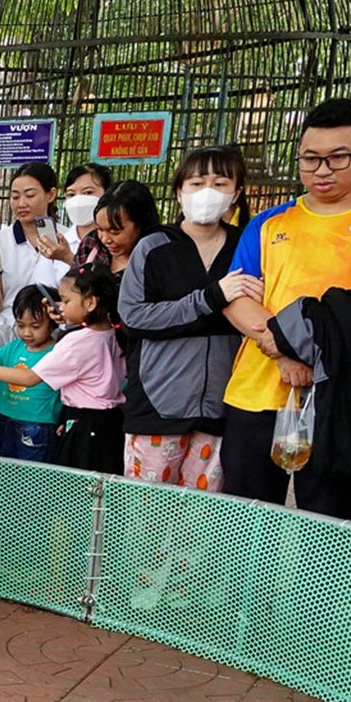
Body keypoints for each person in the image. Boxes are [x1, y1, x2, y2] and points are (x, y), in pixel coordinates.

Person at [220, 98, 351, 517]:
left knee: (326, 524)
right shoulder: (269, 222)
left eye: (337, 158)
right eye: (310, 159)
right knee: (245, 521)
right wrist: (282, 351)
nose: (322, 171)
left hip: (337, 394)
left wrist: (297, 348)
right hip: (255, 391)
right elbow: (236, 299)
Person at [116, 146, 250, 491]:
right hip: (158, 404)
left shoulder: (246, 247)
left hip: (222, 404)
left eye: (220, 183)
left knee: (202, 515)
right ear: (179, 192)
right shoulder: (154, 246)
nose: (207, 191)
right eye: (196, 182)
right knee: (147, 512)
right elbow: (134, 316)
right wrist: (210, 299)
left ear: (236, 193)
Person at [0, 267, 126, 472]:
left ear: (91, 303)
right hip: (108, 422)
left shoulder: (77, 341)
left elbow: (30, 378)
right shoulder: (111, 331)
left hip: (85, 425)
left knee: (74, 487)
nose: (61, 308)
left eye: (66, 302)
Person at [0, 162, 73, 348]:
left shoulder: (69, 240)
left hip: (57, 339)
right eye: (15, 197)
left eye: (30, 195)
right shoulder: (0, 241)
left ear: (51, 194)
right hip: (10, 339)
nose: (21, 204)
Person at [0, 285, 64, 461]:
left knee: (33, 480)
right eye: (21, 325)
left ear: (52, 320)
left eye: (35, 326)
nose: (27, 332)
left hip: (38, 425)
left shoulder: (58, 352)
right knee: (0, 474)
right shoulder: (14, 347)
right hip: (3, 420)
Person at [92, 180, 163, 274]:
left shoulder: (157, 265)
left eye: (115, 232)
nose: (105, 239)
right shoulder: (90, 246)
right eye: (99, 229)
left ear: (141, 223)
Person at [62, 161, 113, 269]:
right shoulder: (57, 244)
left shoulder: (114, 244)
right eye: (71, 194)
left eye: (88, 193)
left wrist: (68, 258)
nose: (77, 200)